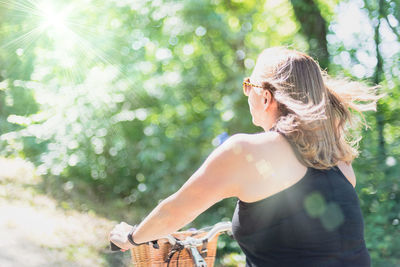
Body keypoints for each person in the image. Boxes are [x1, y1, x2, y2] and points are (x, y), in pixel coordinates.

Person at [109, 47, 382, 266]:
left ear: (265, 97)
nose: (246, 92)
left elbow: (176, 209)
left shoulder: (246, 151)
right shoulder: (342, 167)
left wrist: (131, 237)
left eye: (247, 84)